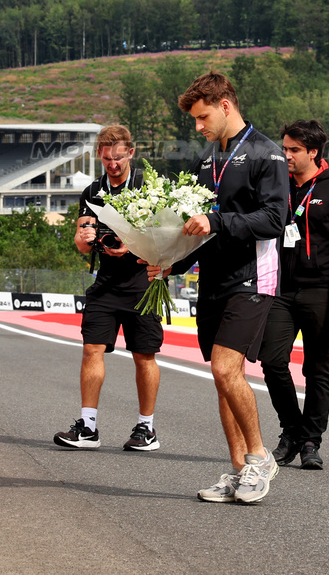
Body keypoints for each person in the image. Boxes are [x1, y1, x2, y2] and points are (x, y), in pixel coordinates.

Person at [145, 71, 287, 504]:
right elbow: (198, 229)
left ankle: (260, 458)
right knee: (223, 380)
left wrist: (217, 219)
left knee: (227, 368)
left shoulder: (268, 154)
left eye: (203, 117)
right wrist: (171, 262)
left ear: (226, 105)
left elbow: (274, 220)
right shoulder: (207, 161)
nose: (198, 127)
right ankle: (240, 469)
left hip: (251, 277)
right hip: (212, 281)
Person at [258, 120, 329, 471]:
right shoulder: (278, 185)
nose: (285, 155)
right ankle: (291, 430)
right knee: (272, 360)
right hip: (282, 290)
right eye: (283, 148)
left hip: (323, 290)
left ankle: (310, 442)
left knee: (318, 369)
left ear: (313, 152)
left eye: (293, 150)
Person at [54, 125, 163, 452]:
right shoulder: (92, 191)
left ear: (131, 153)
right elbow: (83, 239)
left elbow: (165, 235)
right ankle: (88, 427)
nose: (112, 164)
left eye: (118, 158)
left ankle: (147, 428)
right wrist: (82, 240)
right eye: (106, 159)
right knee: (92, 348)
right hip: (106, 282)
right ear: (98, 156)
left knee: (144, 355)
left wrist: (130, 247)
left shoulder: (149, 187)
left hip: (143, 281)